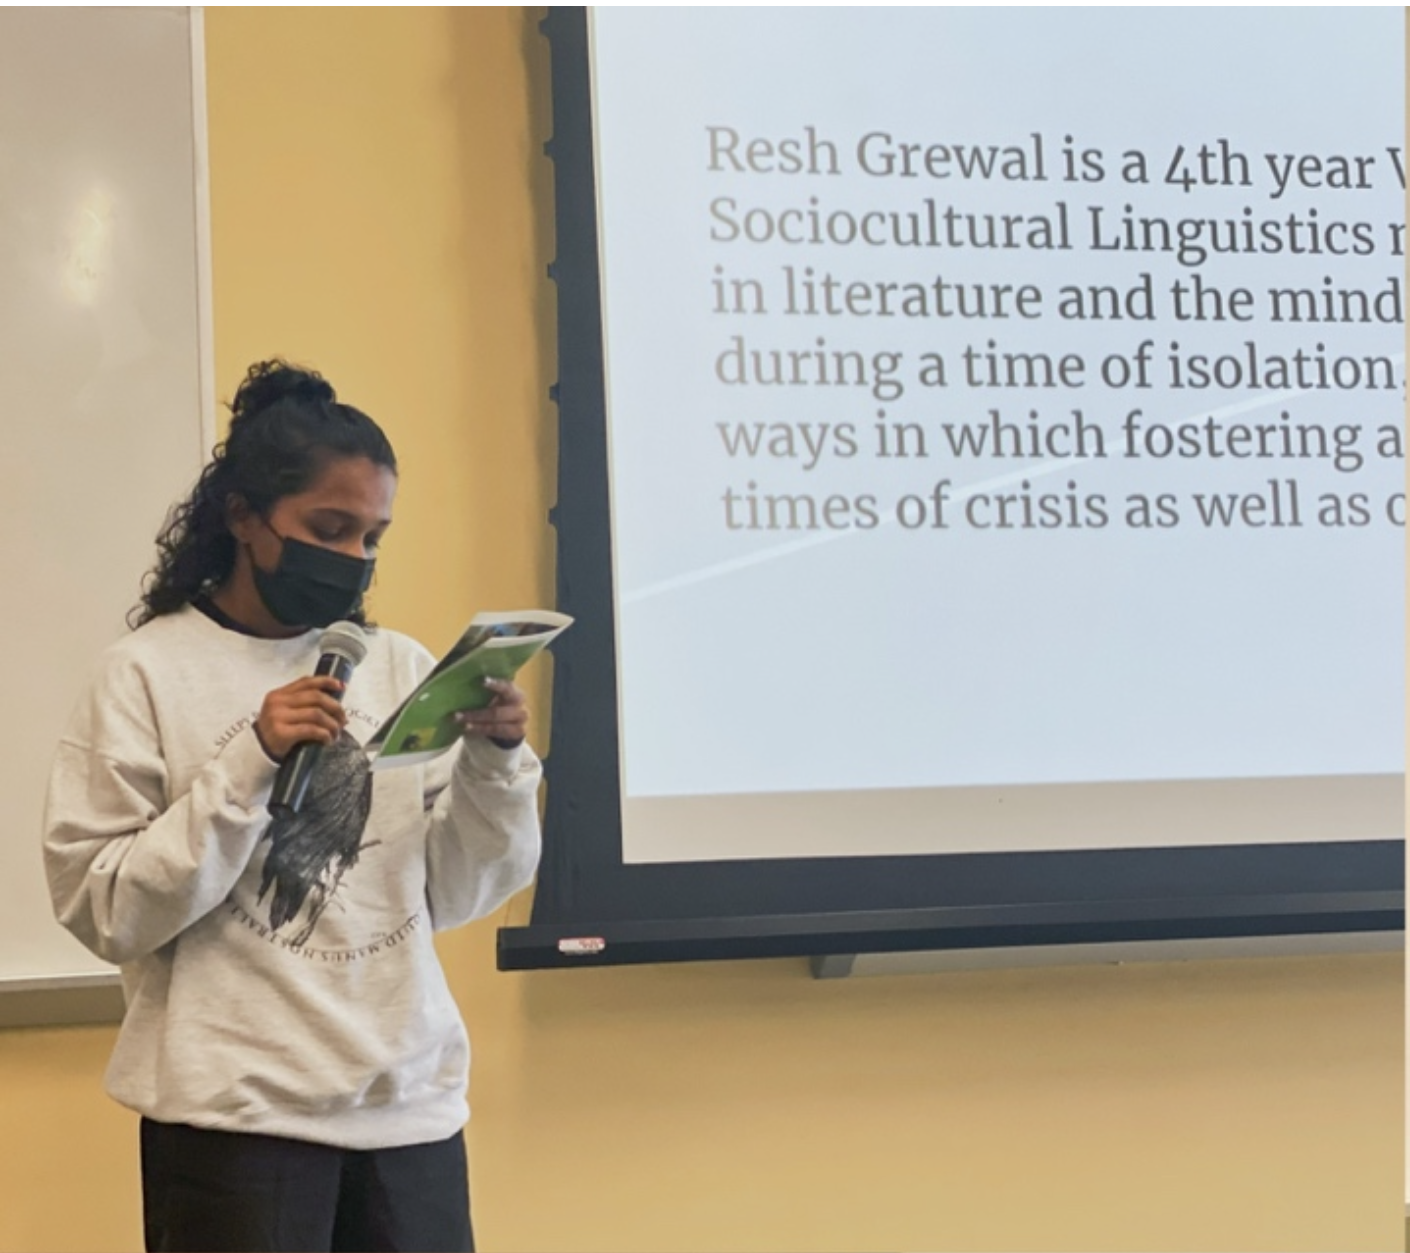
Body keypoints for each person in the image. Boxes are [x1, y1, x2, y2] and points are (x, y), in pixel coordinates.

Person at [43, 361, 542, 1253]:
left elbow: (458, 891)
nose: (353, 559)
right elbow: (105, 907)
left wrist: (495, 763)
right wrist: (252, 762)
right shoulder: (144, 674)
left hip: (409, 1114)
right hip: (235, 1125)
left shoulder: (396, 664)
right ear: (243, 517)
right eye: (329, 529)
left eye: (373, 537)